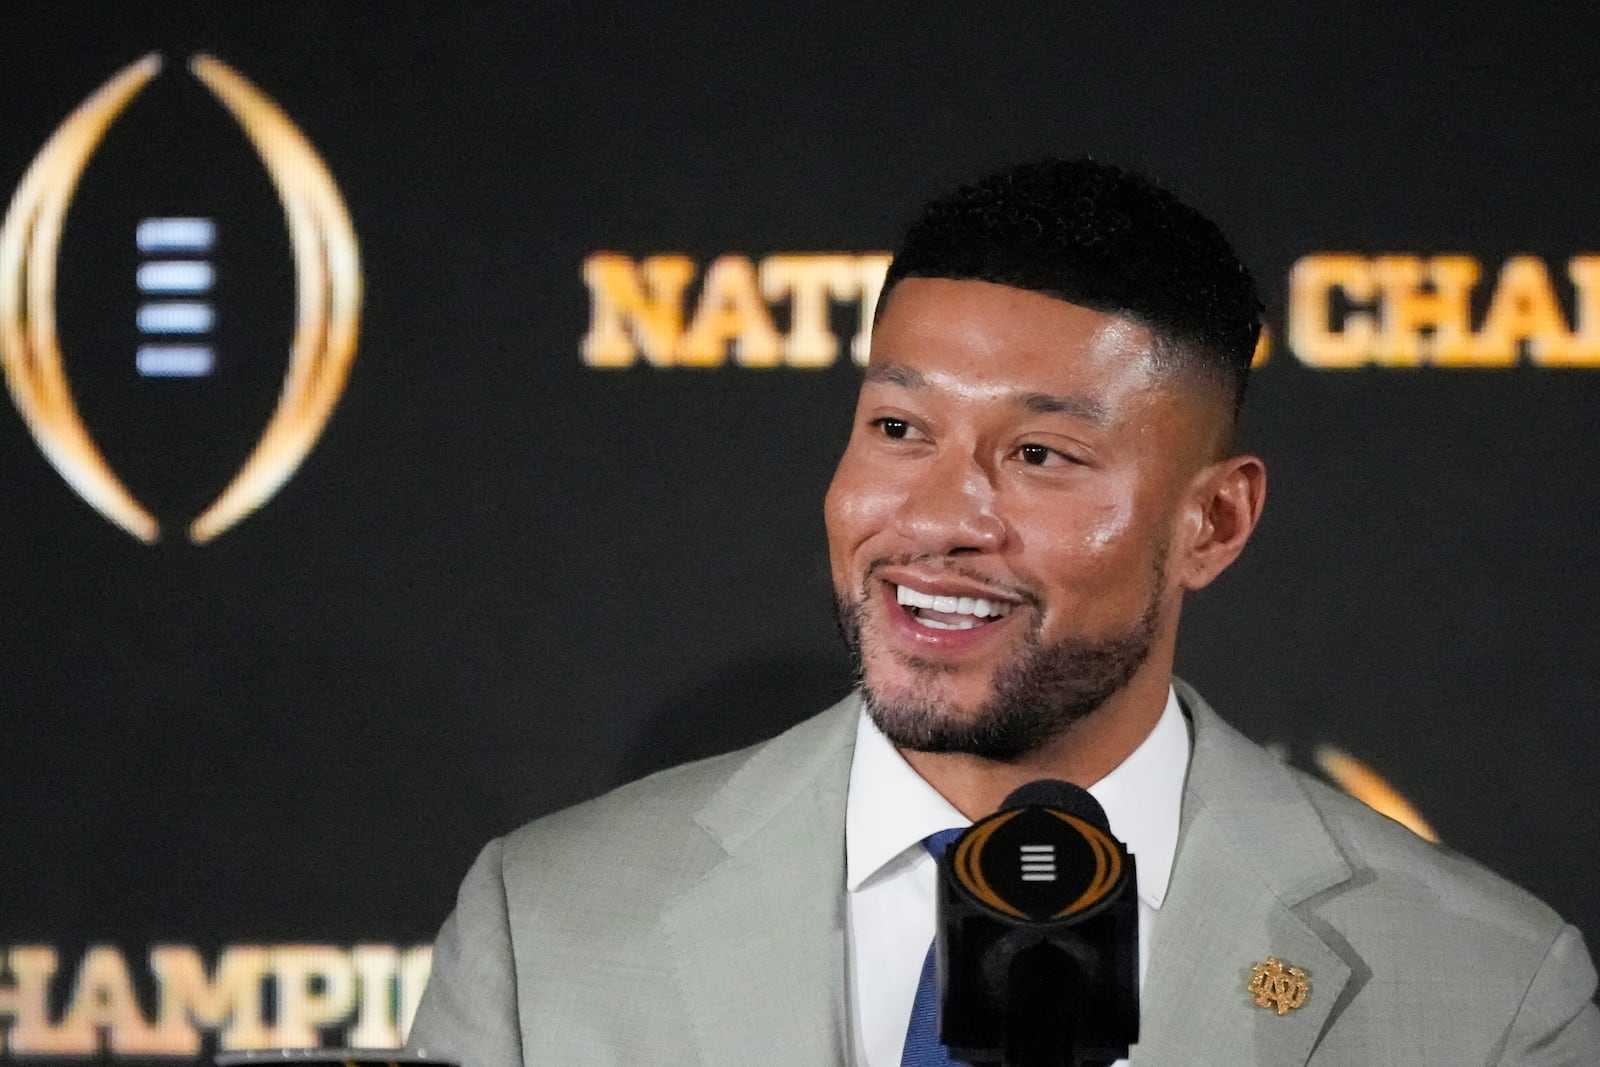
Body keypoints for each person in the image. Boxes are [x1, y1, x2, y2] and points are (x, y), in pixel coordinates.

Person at [406, 159, 1600, 1066]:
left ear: (1213, 524)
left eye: (1039, 452)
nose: (936, 516)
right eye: (897, 429)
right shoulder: (542, 925)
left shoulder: (1486, 988)